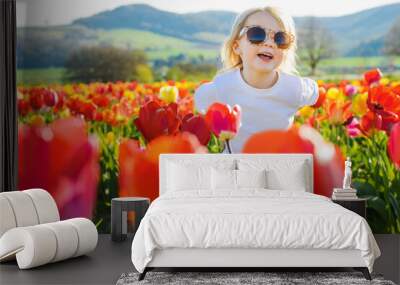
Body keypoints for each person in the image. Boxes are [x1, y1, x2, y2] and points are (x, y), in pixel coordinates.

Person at [194, 6, 319, 153]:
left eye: (280, 38)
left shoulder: (295, 88)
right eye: (256, 34)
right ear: (236, 46)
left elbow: (314, 91)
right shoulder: (221, 88)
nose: (269, 43)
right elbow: (200, 99)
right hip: (234, 170)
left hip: (277, 170)